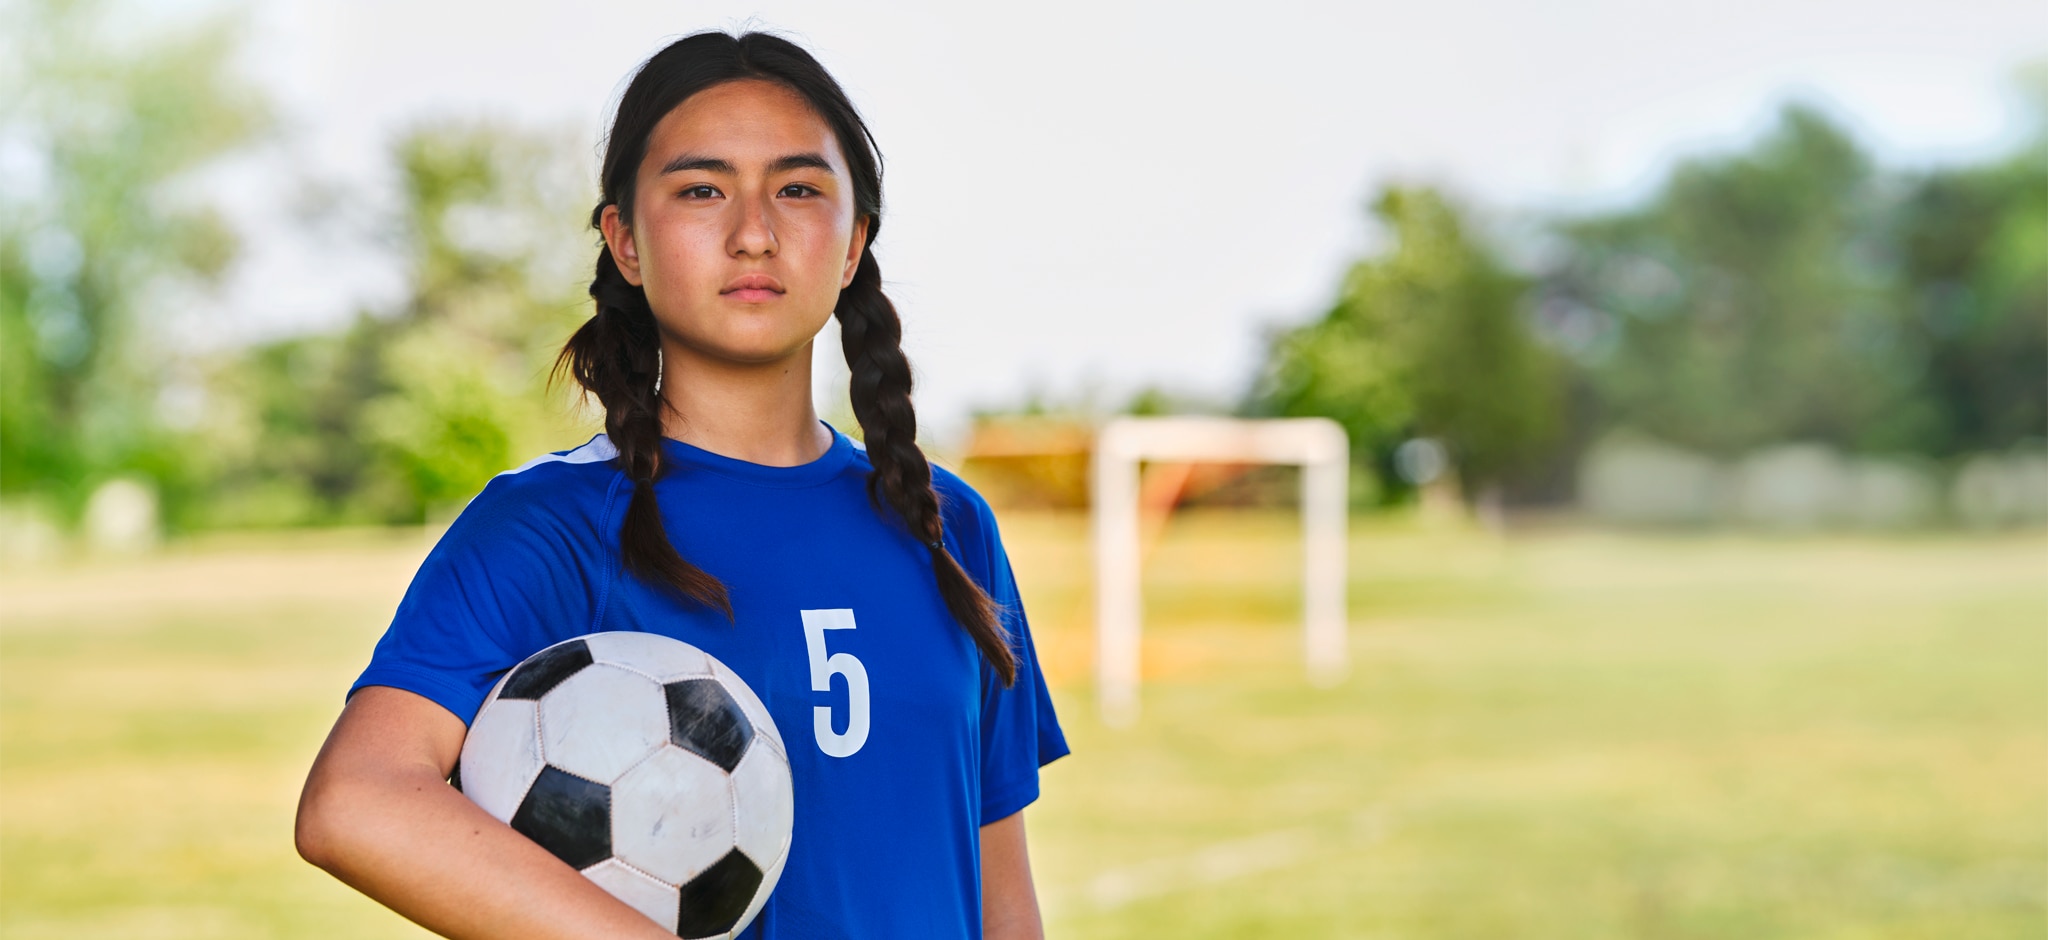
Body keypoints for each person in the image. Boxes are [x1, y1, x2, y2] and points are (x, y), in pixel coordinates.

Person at [293, 30, 1067, 939]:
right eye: (702, 189)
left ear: (854, 242)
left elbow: (999, 896)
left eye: (799, 189)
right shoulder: (550, 526)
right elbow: (356, 801)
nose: (753, 232)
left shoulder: (946, 527)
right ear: (623, 238)